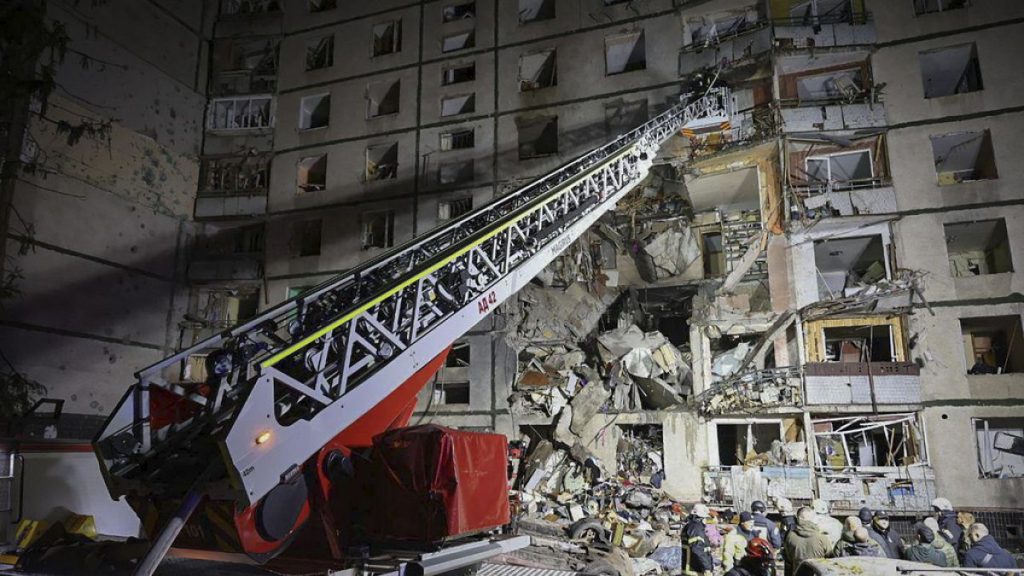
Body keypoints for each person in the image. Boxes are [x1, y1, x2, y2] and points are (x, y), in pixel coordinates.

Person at [783, 507, 832, 576]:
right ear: (813, 520)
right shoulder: (822, 538)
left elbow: (788, 558)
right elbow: (830, 559)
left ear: (798, 519)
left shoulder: (790, 536)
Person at [683, 504, 715, 576]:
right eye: (705, 518)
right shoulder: (696, 528)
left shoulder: (694, 526)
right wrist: (707, 567)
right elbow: (697, 548)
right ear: (702, 518)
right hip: (694, 570)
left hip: (695, 568)